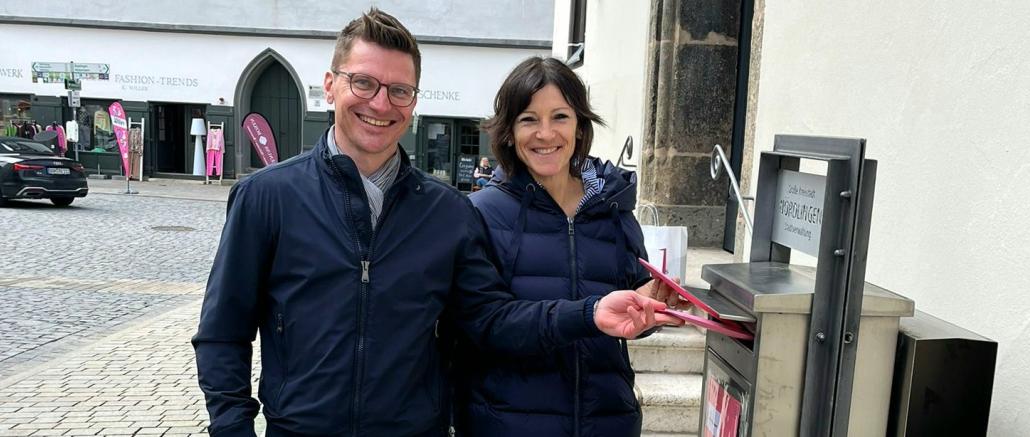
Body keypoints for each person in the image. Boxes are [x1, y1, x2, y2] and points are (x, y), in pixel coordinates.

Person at [191, 8, 680, 437]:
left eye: (399, 90)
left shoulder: (447, 211)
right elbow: (223, 332)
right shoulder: (267, 197)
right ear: (331, 85)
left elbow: (489, 320)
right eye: (363, 82)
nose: (381, 103)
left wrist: (592, 313)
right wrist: (232, 427)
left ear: (414, 100)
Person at [456, 57, 689, 437]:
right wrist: (590, 314)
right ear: (509, 132)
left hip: (608, 422)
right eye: (529, 119)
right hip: (508, 425)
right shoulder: (480, 213)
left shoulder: (613, 208)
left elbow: (626, 313)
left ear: (580, 126)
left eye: (560, 117)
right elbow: (484, 323)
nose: (545, 133)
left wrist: (651, 306)